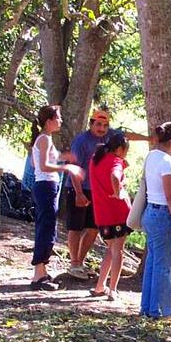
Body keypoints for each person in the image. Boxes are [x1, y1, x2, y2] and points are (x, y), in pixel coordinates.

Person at [64, 109, 148, 280]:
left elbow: (126, 135)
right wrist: (79, 193)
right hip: (77, 188)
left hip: (96, 192)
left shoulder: (110, 136)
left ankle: (80, 262)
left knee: (93, 228)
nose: (102, 128)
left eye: (105, 125)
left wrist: (149, 139)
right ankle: (74, 264)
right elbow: (73, 169)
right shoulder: (81, 141)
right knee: (75, 227)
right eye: (98, 124)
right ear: (91, 124)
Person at [30, 105, 83, 291]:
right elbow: (43, 166)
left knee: (48, 226)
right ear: (49, 121)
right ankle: (38, 275)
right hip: (45, 186)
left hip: (46, 186)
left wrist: (62, 157)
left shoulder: (44, 139)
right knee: (45, 227)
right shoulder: (43, 139)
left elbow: (35, 161)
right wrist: (66, 168)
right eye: (58, 118)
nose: (60, 121)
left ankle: (42, 271)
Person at [140, 122, 171, 318]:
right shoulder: (167, 162)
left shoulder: (152, 156)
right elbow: (170, 196)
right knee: (163, 266)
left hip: (150, 212)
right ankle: (162, 311)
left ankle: (147, 308)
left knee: (152, 262)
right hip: (163, 215)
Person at [88, 133, 132, 301]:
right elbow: (113, 175)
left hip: (101, 213)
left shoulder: (95, 158)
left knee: (111, 248)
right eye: (125, 151)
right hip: (117, 212)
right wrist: (118, 192)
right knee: (118, 250)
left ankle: (100, 286)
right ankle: (113, 289)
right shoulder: (116, 161)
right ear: (120, 149)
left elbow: (103, 174)